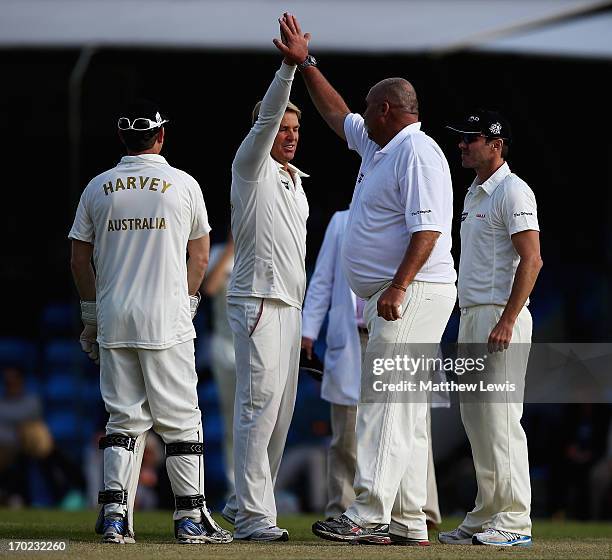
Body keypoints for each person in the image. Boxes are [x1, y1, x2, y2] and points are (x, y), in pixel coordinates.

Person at [275, 14, 456, 546]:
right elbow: (337, 115)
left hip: (413, 292)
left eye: (368, 110)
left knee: (382, 401)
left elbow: (429, 230)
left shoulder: (418, 153)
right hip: (401, 292)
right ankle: (406, 521)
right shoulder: (382, 146)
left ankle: (368, 512)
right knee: (401, 408)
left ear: (386, 111)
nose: (360, 118)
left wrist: (398, 287)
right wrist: (306, 63)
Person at [68, 99, 231, 545]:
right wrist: (189, 302)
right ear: (161, 135)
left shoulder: (97, 187)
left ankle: (115, 516)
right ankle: (189, 519)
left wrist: (90, 316)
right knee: (180, 419)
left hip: (115, 316)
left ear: (123, 138)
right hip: (166, 318)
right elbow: (200, 255)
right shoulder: (184, 184)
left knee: (123, 419)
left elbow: (79, 259)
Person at [222, 22, 310, 542]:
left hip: (289, 306)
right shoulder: (249, 168)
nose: (291, 135)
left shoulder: (296, 182)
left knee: (280, 415)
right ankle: (256, 517)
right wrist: (289, 68)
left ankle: (241, 504)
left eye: (296, 130)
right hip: (256, 300)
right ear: (263, 131)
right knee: (257, 408)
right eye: (282, 129)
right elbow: (269, 118)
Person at [301, 210, 443, 529]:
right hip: (355, 336)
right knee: (348, 431)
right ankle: (343, 506)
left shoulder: (408, 218)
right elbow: (323, 279)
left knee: (411, 424)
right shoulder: (340, 221)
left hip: (400, 329)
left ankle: (421, 509)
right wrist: (307, 330)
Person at [439, 109, 542, 546]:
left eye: (470, 139)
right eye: (461, 139)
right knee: (477, 421)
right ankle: (486, 515)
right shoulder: (475, 193)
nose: (462, 145)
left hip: (502, 317)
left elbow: (532, 260)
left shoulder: (514, 192)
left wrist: (507, 319)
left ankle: (515, 522)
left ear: (496, 145)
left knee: (501, 420)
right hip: (474, 315)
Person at [200, 236, 236, 496]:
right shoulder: (219, 252)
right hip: (224, 347)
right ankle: (235, 489)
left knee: (262, 420)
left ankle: (264, 488)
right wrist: (232, 248)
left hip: (257, 346)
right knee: (231, 420)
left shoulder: (263, 250)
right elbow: (209, 288)